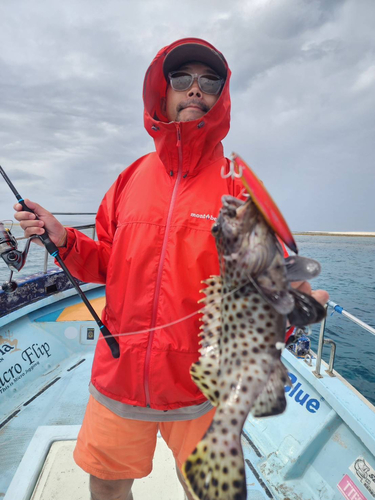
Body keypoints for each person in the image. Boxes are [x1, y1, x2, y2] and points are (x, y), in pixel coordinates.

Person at [14, 38, 329, 500]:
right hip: (119, 378)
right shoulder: (128, 180)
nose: (195, 89)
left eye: (210, 81)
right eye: (182, 79)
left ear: (222, 99)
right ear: (162, 93)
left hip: (201, 386)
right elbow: (104, 262)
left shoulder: (239, 192)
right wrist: (63, 241)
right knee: (105, 485)